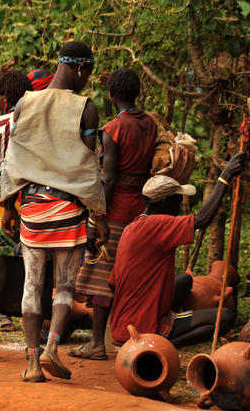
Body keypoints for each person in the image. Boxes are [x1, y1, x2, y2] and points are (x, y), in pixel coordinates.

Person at [0, 41, 109, 382]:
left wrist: (7, 205)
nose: (87, 79)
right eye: (87, 72)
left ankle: (32, 364)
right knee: (63, 286)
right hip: (68, 210)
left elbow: (12, 157)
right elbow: (87, 167)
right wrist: (99, 216)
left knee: (32, 285)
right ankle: (52, 348)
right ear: (80, 68)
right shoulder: (85, 108)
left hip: (33, 207)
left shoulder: (25, 103)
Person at [107, 152, 248, 347]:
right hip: (144, 328)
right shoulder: (158, 224)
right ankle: (163, 343)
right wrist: (225, 176)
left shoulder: (132, 227)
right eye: (177, 200)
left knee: (185, 279)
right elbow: (202, 219)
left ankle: (161, 325)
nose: (180, 205)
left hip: (121, 326)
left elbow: (113, 283)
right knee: (224, 316)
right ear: (164, 203)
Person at [71, 68, 158, 360]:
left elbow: (108, 179)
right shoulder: (150, 124)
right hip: (142, 210)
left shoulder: (112, 130)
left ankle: (97, 343)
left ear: (111, 95)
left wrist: (98, 218)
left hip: (117, 210)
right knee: (131, 276)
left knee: (101, 274)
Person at [0, 70, 54, 358]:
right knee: (34, 269)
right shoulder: (42, 124)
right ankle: (35, 341)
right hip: (37, 201)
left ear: (7, 97)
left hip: (2, 203)